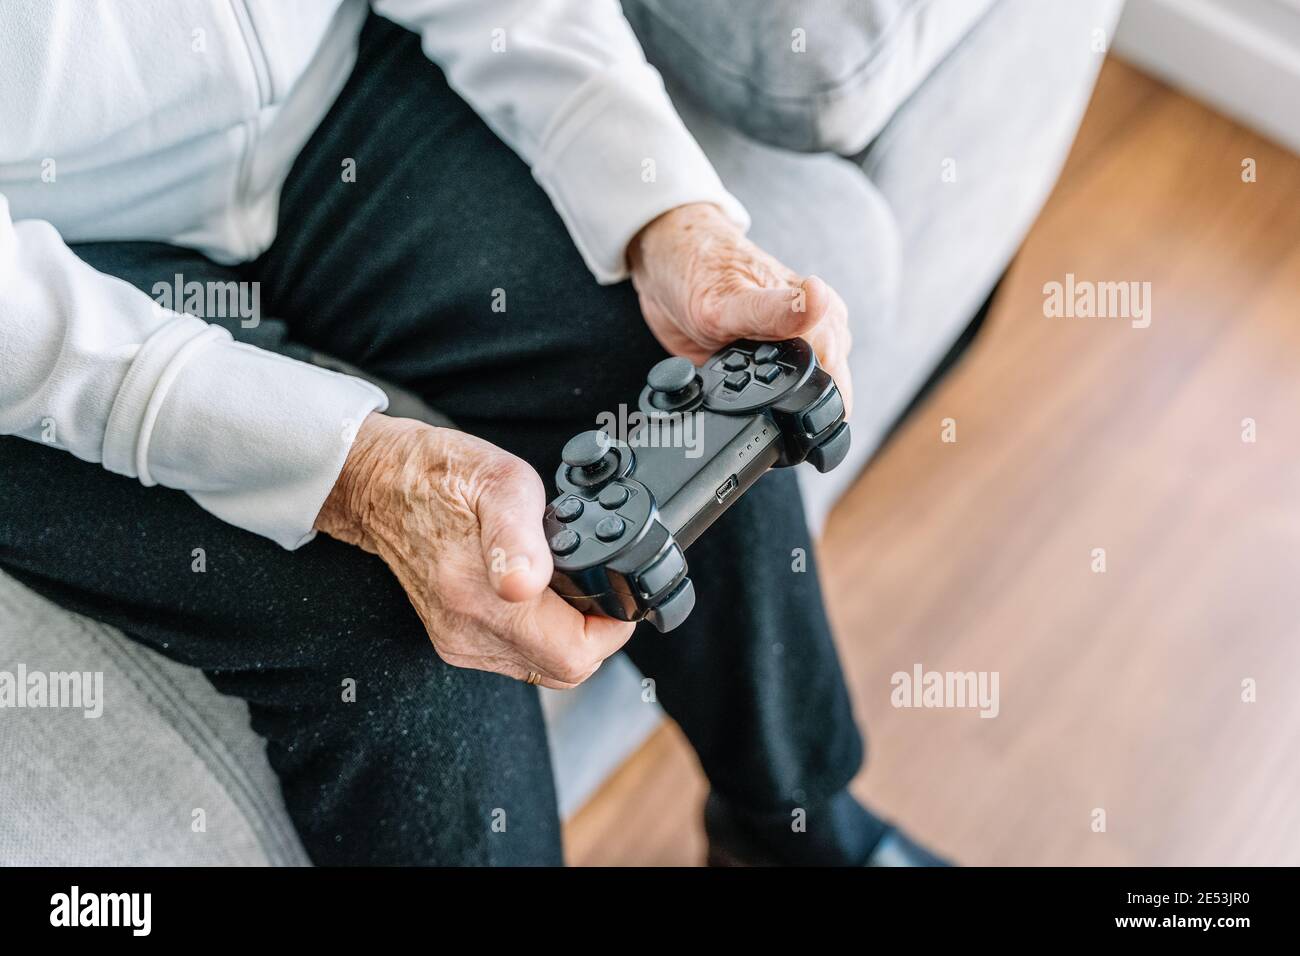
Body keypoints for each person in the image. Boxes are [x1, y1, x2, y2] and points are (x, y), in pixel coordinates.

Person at [0, 0, 942, 865]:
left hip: (327, 100)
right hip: (46, 251)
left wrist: (669, 218)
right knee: (422, 617)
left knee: (701, 378)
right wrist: (346, 473)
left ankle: (794, 829)